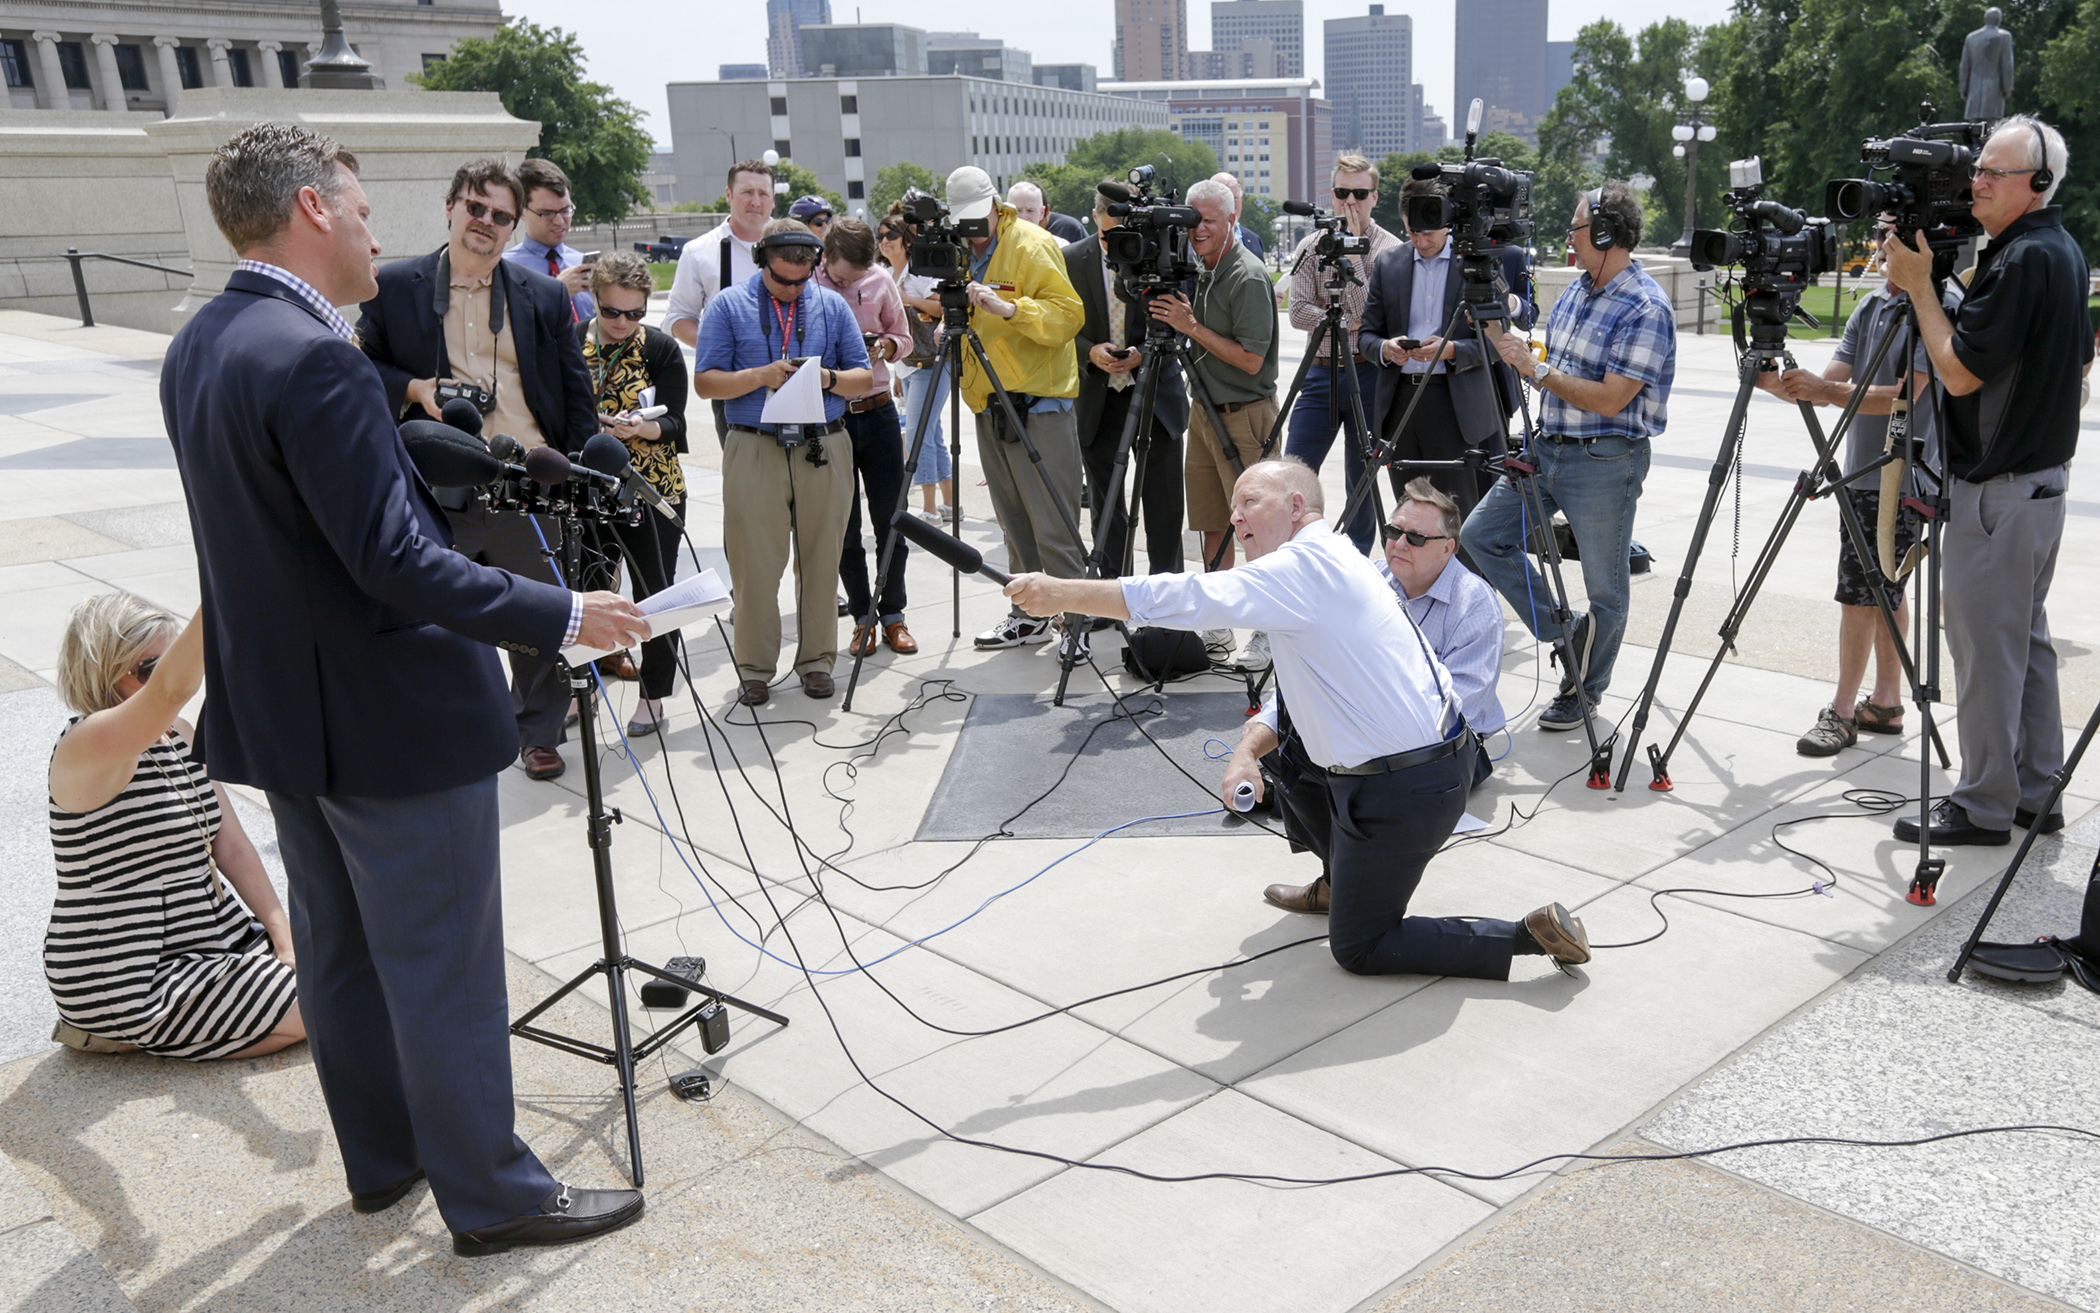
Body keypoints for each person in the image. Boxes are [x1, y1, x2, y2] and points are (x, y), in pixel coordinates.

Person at [163, 122, 649, 1251]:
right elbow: (394, 560)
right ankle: (496, 1192)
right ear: (312, 211)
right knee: (443, 968)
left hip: (288, 713)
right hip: (387, 717)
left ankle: (386, 1164)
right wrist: (564, 612)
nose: (379, 233)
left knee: (340, 953)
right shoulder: (317, 355)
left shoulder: (205, 340)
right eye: (365, 209)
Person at [1001, 458, 1591, 973]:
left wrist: (1063, 593)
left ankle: (1526, 936)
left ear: (1297, 504)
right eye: (1233, 508)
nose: (1235, 518)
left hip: (1410, 789)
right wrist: (1243, 751)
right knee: (1288, 753)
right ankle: (1340, 881)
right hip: (1406, 772)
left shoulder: (1304, 568)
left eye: (1249, 502)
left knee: (1361, 949)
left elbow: (1189, 597)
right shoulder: (1335, 559)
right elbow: (1299, 697)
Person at [1881, 115, 2092, 847]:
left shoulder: (2025, 258)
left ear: (2037, 185)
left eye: (1993, 173)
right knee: (2023, 646)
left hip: (2000, 493)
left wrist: (1917, 288)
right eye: (1978, 169)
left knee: (1982, 653)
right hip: (2036, 488)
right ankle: (2038, 792)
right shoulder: (2056, 250)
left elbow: (1961, 370)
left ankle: (1981, 805)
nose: (1976, 181)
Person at [356, 157, 600, 781]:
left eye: (501, 215)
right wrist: (414, 388)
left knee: (542, 611)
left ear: (514, 226)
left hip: (525, 483)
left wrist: (573, 472)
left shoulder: (543, 296)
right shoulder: (396, 285)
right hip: (437, 484)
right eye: (476, 207)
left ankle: (539, 730)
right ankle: (450, 721)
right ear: (451, 206)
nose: (485, 222)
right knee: (432, 614)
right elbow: (360, 371)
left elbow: (575, 393)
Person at [46, 597, 302, 1060]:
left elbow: (233, 846)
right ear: (103, 672)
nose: (166, 678)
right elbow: (169, 690)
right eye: (150, 668)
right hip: (128, 971)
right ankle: (136, 1027)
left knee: (345, 968)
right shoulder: (86, 746)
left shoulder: (178, 734)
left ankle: (177, 1034)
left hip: (211, 940)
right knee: (326, 1008)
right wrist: (230, 573)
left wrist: (284, 937)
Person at [1471, 182, 1677, 732]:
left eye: (1577, 228)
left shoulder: (1645, 306)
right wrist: (1501, 334)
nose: (1569, 238)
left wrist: (1533, 369)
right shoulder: (1578, 291)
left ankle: (1584, 690)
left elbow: (1611, 398)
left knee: (1606, 587)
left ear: (1607, 234)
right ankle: (1566, 632)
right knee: (1481, 536)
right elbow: (1554, 367)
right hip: (1548, 450)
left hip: (1605, 461)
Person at [1756, 226, 1945, 757]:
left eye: (1893, 237)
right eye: (1881, 236)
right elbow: (1831, 383)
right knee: (1885, 588)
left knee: (1862, 594)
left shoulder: (1934, 304)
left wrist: (1827, 391)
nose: (1882, 246)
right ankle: (1885, 701)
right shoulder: (1871, 307)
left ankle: (1842, 712)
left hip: (1904, 474)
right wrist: (1780, 381)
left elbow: (1907, 397)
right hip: (1862, 472)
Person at [693, 219, 872, 704]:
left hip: (822, 444)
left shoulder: (833, 306)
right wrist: (760, 376)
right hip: (754, 445)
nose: (793, 289)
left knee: (822, 559)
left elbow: (864, 376)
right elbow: (706, 382)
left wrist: (828, 379)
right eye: (782, 280)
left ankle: (816, 662)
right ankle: (754, 668)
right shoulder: (728, 306)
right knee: (755, 564)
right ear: (761, 261)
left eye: (802, 279)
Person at [938, 166, 1090, 658]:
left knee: (1054, 523)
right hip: (988, 403)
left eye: (975, 218)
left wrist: (1012, 309)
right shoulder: (962, 251)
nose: (969, 228)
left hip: (1039, 404)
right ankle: (1029, 615)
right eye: (960, 220)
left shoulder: (1031, 243)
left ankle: (1076, 623)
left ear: (994, 204)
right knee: (1012, 521)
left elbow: (1069, 316)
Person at [1152, 176, 1279, 665]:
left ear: (1232, 219)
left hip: (1245, 415)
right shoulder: (1202, 268)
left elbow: (1251, 360)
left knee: (1258, 529)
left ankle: (1269, 630)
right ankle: (1218, 625)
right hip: (1204, 411)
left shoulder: (1245, 275)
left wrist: (1190, 327)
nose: (1197, 228)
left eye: (1207, 219)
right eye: (1191, 219)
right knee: (1210, 523)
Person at [1361, 174, 1530, 536]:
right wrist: (1386, 350)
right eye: (1413, 232)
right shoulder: (1388, 264)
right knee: (1409, 516)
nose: (1422, 241)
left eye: (1430, 233)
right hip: (1401, 403)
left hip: (1457, 406)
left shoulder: (1480, 263)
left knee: (1461, 519)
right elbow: (1365, 336)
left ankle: (1465, 590)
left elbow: (1501, 343)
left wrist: (1452, 350)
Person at [579, 251, 692, 736]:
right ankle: (580, 684)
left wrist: (643, 429)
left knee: (655, 592)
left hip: (651, 489)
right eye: (612, 312)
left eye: (635, 313)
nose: (623, 322)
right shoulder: (569, 343)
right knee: (586, 591)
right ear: (594, 300)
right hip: (585, 488)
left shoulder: (660, 348)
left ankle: (654, 695)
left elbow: (677, 423)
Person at [1065, 178, 1186, 577]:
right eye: (1108, 236)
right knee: (1105, 505)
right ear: (1096, 216)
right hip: (1098, 399)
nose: (1117, 244)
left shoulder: (1159, 251)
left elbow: (1184, 312)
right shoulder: (1070, 259)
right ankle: (1114, 594)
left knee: (1164, 506)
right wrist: (1090, 352)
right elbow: (1062, 323)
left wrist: (1143, 352)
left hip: (1156, 393)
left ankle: (1166, 602)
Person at [1283, 153, 1401, 554]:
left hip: (1369, 374)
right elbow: (1297, 311)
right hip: (1319, 371)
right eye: (1341, 192)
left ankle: (1356, 559)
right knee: (1293, 471)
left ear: (1375, 197)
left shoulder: (1391, 250)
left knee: (1362, 477)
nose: (1349, 201)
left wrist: (1352, 260)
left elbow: (1374, 316)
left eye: (1359, 193)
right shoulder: (1312, 244)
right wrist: (1343, 320)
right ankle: (1293, 553)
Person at [815, 217, 919, 658]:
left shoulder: (879, 281)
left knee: (892, 518)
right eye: (841, 277)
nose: (848, 282)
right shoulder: (808, 284)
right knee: (843, 525)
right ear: (826, 257)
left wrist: (886, 348)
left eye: (856, 277)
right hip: (831, 415)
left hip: (876, 411)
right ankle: (862, 618)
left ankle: (893, 614)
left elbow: (905, 338)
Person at [665, 159, 774, 445]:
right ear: (728, 195)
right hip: (732, 386)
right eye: (747, 192)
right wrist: (720, 348)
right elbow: (678, 318)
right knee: (747, 477)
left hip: (790, 378)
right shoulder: (699, 252)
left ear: (773, 199)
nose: (755, 201)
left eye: (763, 193)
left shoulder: (797, 245)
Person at [879, 210, 956, 524]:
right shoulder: (888, 273)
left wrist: (908, 299)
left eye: (891, 236)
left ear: (907, 241)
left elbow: (942, 306)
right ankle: (950, 504)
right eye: (880, 236)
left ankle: (930, 510)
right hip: (909, 365)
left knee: (917, 435)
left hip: (933, 362)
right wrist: (898, 371)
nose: (884, 242)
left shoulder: (920, 274)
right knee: (932, 434)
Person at [504, 157, 594, 323]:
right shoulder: (504, 269)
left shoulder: (584, 264)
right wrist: (556, 292)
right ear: (521, 212)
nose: (559, 221)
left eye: (565, 210)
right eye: (546, 213)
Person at [1209, 172, 1265, 261]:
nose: (1231, 205)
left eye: (1234, 198)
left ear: (1241, 199)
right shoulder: (1198, 238)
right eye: (1224, 199)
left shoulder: (1254, 239)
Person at [1008, 180, 1086, 243]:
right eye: (1017, 210)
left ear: (1042, 212)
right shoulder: (998, 245)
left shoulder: (1059, 246)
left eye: (1030, 211)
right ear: (1007, 211)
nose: (1023, 217)